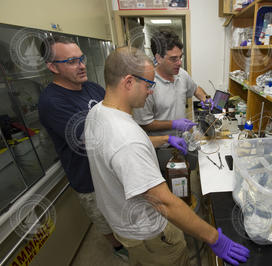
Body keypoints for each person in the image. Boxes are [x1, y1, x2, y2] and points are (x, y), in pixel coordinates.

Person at [84, 46, 249, 266]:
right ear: (128, 82)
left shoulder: (97, 113)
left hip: (122, 223)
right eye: (148, 85)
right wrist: (215, 238)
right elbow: (165, 202)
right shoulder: (127, 137)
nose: (151, 91)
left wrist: (164, 139)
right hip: (148, 231)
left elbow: (115, 151)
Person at [38, 36, 131, 261]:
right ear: (52, 67)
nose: (81, 65)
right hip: (88, 179)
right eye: (71, 61)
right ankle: (119, 249)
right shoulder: (52, 102)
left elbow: (117, 112)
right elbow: (88, 139)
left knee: (125, 215)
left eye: (81, 58)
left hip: (112, 169)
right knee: (104, 220)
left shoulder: (90, 87)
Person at [133, 31, 214, 137]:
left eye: (180, 57)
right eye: (173, 59)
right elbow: (145, 123)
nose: (179, 62)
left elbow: (195, 89)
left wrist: (205, 98)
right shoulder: (146, 84)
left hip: (183, 139)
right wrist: (173, 124)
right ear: (158, 58)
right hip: (162, 146)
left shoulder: (182, 74)